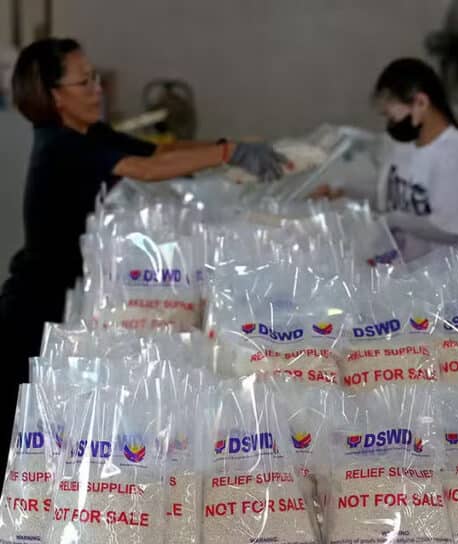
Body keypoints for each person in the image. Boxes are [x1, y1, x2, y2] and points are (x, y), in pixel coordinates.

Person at [0, 38, 285, 459]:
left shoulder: (90, 134)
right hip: (34, 312)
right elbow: (146, 169)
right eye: (85, 82)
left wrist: (230, 146)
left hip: (66, 302)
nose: (99, 88)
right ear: (54, 95)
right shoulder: (62, 145)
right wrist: (229, 152)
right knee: (22, 442)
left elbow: (159, 149)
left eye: (96, 78)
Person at [315, 58, 458, 286]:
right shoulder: (405, 146)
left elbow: (451, 227)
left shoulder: (452, 152)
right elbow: (394, 195)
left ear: (420, 103)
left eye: (392, 116)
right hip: (418, 281)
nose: (391, 124)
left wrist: (392, 221)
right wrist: (343, 190)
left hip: (456, 287)